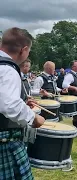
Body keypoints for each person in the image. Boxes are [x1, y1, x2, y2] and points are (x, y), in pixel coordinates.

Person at [0, 27, 45, 179]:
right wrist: (33, 118)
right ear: (24, 50)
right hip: (4, 142)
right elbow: (9, 105)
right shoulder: (7, 68)